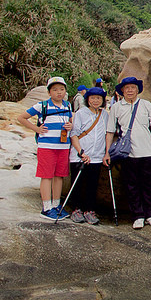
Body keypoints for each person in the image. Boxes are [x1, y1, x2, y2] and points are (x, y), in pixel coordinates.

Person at [104, 76, 151, 230]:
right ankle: (137, 215)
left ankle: (150, 214)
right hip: (127, 153)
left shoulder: (146, 105)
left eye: (133, 87)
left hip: (147, 151)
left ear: (137, 90)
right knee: (131, 185)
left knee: (148, 184)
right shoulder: (116, 107)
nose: (130, 90)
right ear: (122, 90)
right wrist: (107, 152)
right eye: (127, 88)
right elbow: (110, 131)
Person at [17, 76, 74, 220]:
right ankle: (47, 207)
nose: (59, 93)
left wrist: (70, 126)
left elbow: (70, 121)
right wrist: (36, 129)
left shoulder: (67, 105)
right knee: (47, 176)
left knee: (59, 175)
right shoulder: (41, 105)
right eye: (55, 90)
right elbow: (21, 118)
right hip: (47, 146)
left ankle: (56, 205)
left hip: (63, 146)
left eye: (61, 89)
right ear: (49, 92)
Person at [68, 87, 109, 224]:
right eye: (92, 98)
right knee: (77, 183)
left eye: (99, 98)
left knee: (92, 185)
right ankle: (76, 209)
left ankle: (90, 210)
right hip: (80, 155)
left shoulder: (105, 115)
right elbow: (74, 134)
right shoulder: (81, 113)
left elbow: (107, 134)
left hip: (96, 157)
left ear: (103, 100)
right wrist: (81, 152)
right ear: (88, 99)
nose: (95, 101)